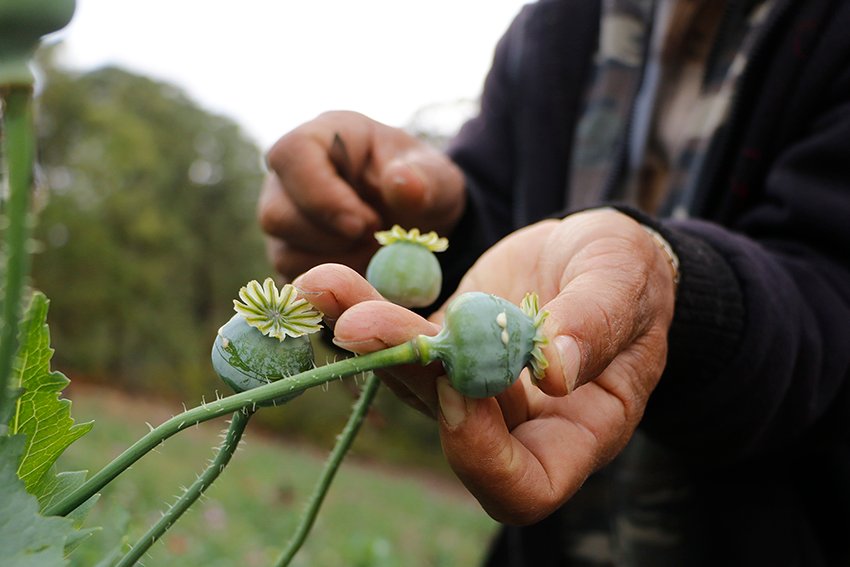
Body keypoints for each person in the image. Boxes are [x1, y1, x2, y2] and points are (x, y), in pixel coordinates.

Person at [258, 0, 850, 565]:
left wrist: (676, 293)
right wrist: (413, 218)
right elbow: (501, 228)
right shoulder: (551, 27)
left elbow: (831, 291)